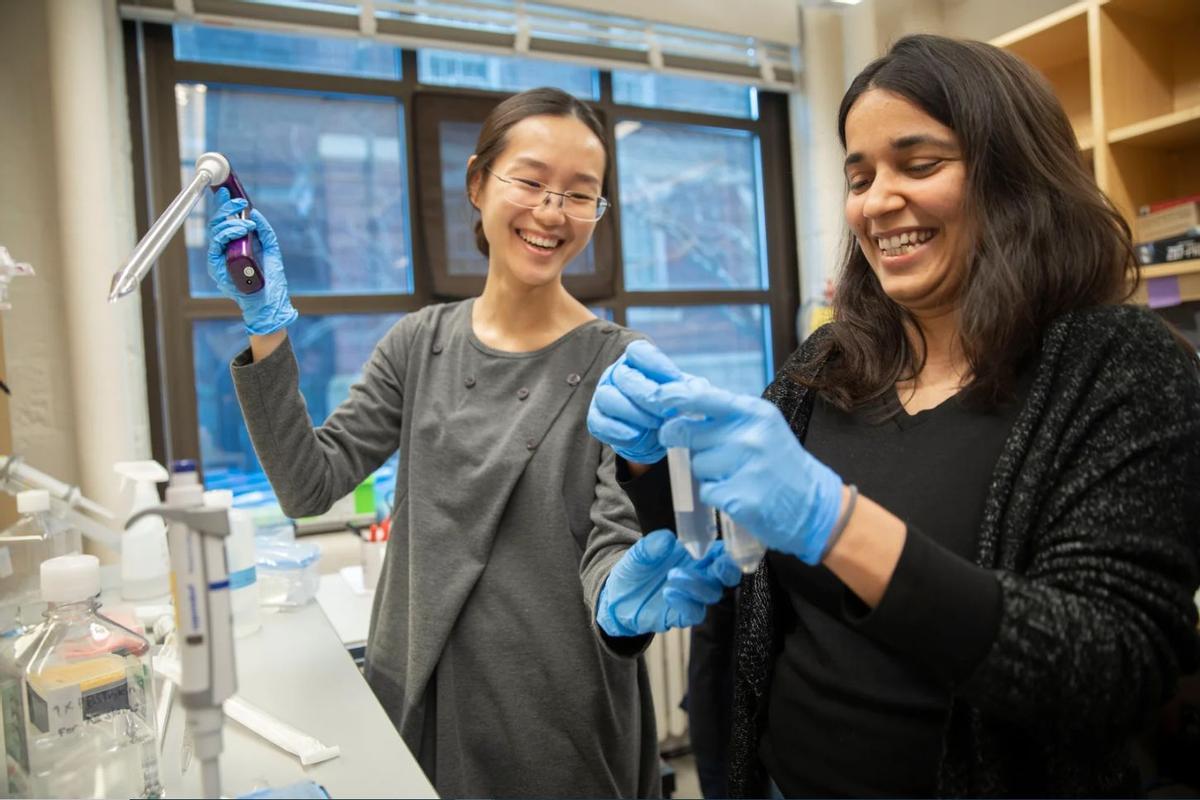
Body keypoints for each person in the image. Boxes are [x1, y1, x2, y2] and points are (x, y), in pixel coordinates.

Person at [587, 34, 1200, 798]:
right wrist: (656, 464)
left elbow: (1114, 669)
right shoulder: (827, 363)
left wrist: (838, 525)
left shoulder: (1121, 366)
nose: (877, 201)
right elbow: (744, 558)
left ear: (1015, 176)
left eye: (920, 164)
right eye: (860, 175)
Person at [205, 87, 739, 798]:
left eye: (581, 194)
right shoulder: (419, 344)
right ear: (478, 183)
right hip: (416, 697)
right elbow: (309, 484)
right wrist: (265, 325)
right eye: (531, 181)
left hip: (553, 719)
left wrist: (626, 597)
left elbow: (617, 540)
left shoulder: (621, 364)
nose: (552, 211)